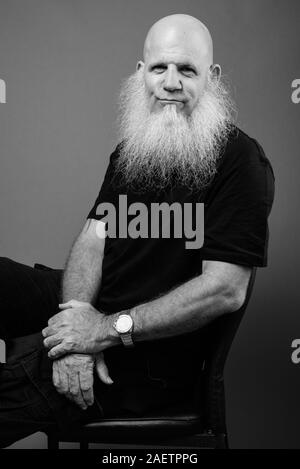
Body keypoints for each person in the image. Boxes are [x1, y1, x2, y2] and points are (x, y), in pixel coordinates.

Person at [0, 14, 275, 448]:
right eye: (159, 68)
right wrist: (75, 322)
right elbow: (94, 238)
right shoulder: (134, 148)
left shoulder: (240, 162)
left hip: (151, 350)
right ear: (140, 72)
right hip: (100, 306)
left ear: (213, 77)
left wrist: (103, 331)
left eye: (187, 69)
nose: (170, 82)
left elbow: (224, 289)